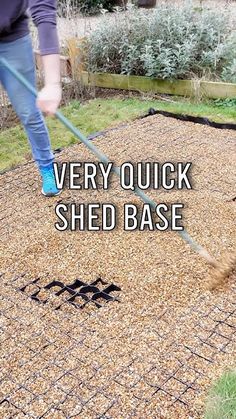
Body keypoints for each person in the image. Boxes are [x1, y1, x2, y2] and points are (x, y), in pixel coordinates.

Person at [0, 0, 62, 196]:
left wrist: (52, 83)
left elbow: (43, 9)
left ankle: (47, 170)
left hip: (13, 41)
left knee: (29, 113)